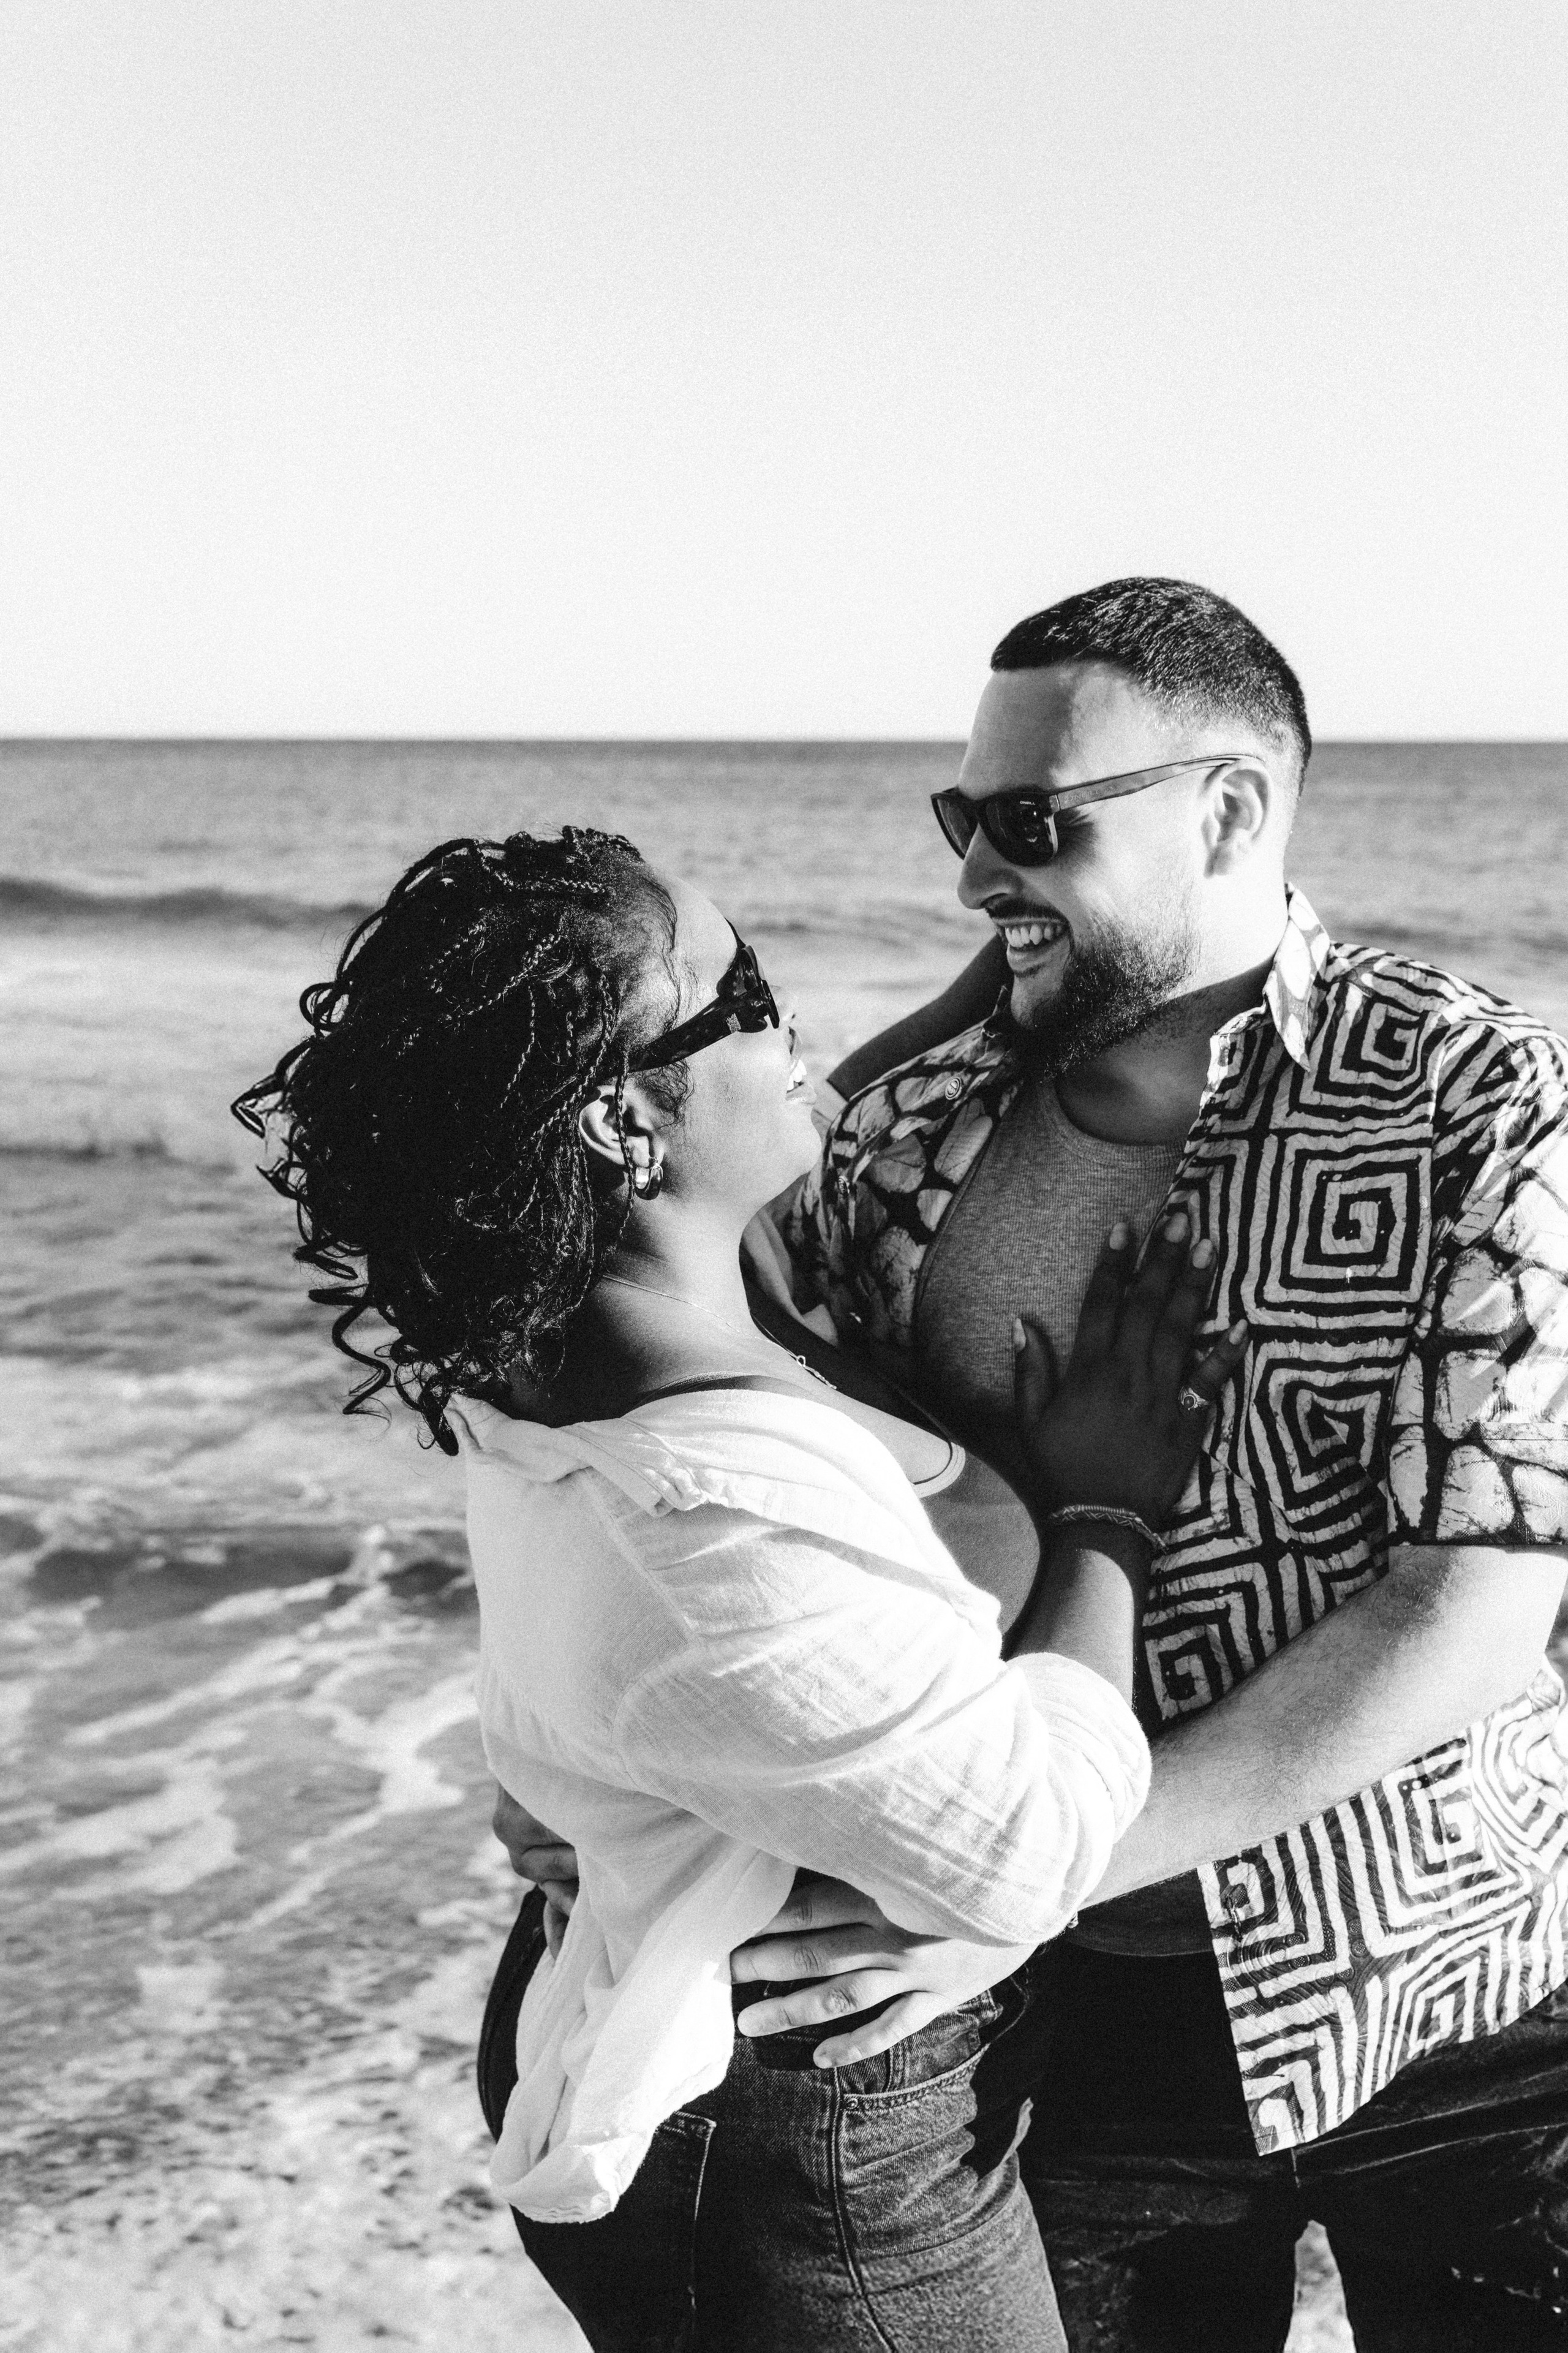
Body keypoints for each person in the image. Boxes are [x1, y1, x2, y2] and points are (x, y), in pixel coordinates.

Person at [233, 825, 1245, 2353]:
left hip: (766, 2067)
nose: (801, 1032)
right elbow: (1025, 1846)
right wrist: (1107, 1505)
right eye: (749, 992)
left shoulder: (656, 1293)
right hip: (800, 2134)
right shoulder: (708, 1514)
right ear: (617, 1119)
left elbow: (805, 1088)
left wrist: (1028, 899)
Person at [717, 577, 1568, 2350]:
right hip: (1066, 2027)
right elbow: (764, 1489)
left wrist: (1033, 1873)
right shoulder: (908, 1130)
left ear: (1230, 810)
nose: (971, 875)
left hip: (1461, 1996)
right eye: (965, 819)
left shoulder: (1477, 1097)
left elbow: (1474, 1600)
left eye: (1031, 824)